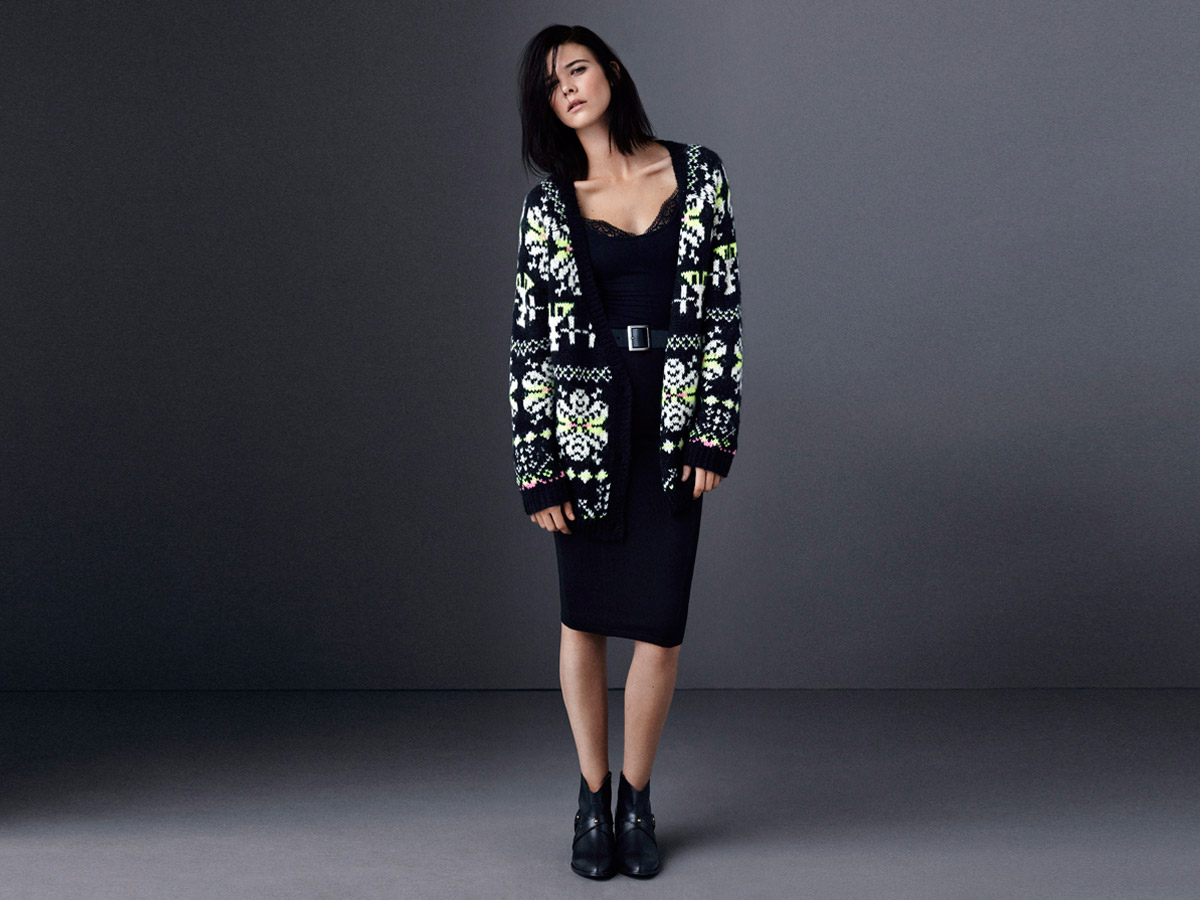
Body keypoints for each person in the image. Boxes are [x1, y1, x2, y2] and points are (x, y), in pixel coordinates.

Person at [510, 24, 743, 879]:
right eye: (551, 84)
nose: (568, 87)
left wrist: (715, 428)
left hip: (673, 420)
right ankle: (591, 797)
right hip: (583, 427)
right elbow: (528, 341)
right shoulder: (549, 205)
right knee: (583, 618)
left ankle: (637, 800)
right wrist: (538, 465)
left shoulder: (700, 173)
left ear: (609, 70)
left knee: (660, 626)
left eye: (577, 68)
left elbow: (723, 310)